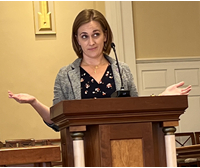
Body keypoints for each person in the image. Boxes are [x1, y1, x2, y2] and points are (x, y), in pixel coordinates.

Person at [8, 9, 192, 132]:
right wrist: (34, 102)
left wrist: (161, 98)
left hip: (123, 144)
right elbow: (57, 121)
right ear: (77, 40)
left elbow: (136, 109)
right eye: (84, 36)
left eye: (96, 34)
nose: (91, 42)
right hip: (81, 149)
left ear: (105, 36)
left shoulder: (122, 70)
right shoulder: (65, 75)